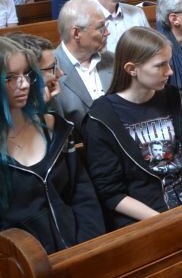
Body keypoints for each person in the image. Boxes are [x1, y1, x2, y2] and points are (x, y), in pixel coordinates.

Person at [84, 27, 182, 229]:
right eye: (160, 65)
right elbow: (111, 193)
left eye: (169, 62)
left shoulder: (173, 98)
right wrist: (165, 222)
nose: (170, 71)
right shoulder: (102, 117)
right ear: (132, 69)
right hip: (143, 220)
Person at [0, 38, 105, 253]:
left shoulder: (55, 128)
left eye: (26, 74)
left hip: (79, 249)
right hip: (24, 262)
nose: (24, 84)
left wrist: (89, 247)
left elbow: (81, 194)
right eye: (10, 77)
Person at [52, 0, 113, 132]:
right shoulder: (50, 69)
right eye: (100, 28)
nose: (107, 33)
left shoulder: (113, 60)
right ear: (76, 33)